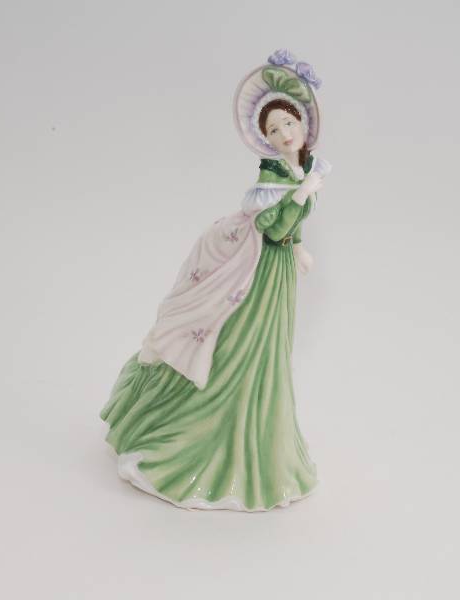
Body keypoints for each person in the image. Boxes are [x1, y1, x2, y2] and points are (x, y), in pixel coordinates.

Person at [100, 49, 331, 511]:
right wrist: (301, 198)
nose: (284, 133)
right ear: (264, 139)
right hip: (258, 275)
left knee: (272, 353)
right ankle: (205, 440)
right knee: (243, 352)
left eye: (289, 123)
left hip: (280, 274)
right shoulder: (272, 175)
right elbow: (272, 227)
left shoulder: (302, 168)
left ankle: (267, 444)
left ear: (303, 124)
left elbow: (292, 228)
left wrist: (299, 246)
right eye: (274, 129)